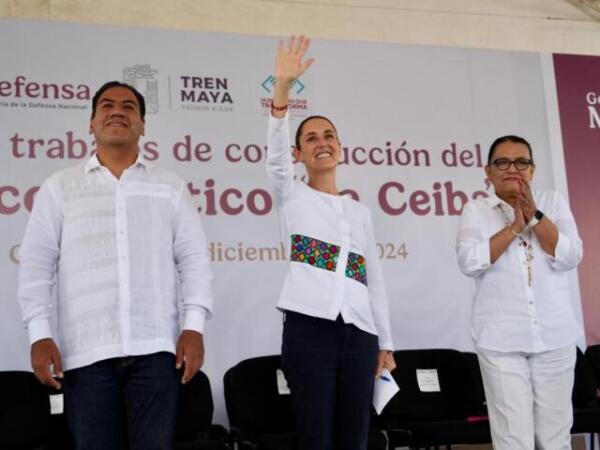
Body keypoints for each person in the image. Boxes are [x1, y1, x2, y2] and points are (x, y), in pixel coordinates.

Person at [18, 81, 214, 450]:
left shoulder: (169, 186)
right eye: (106, 105)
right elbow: (36, 264)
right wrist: (39, 334)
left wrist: (194, 326)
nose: (117, 111)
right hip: (86, 353)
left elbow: (194, 259)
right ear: (91, 123)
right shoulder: (60, 187)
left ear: (142, 124)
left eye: (129, 106)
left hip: (156, 351)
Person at [266, 36, 396, 450]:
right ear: (298, 153)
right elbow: (274, 160)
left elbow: (373, 280)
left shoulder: (360, 212)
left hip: (359, 336)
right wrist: (282, 91)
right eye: (311, 138)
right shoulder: (291, 193)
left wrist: (385, 343)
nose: (322, 142)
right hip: (309, 330)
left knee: (354, 437)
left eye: (329, 136)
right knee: (316, 436)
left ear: (340, 148)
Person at [456, 135, 583, 450]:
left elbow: (570, 256)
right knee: (514, 441)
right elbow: (470, 261)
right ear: (488, 171)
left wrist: (535, 215)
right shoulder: (476, 210)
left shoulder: (552, 201)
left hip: (554, 337)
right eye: (503, 162)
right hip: (501, 342)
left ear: (532, 170)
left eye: (521, 162)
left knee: (555, 439)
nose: (513, 168)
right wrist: (514, 226)